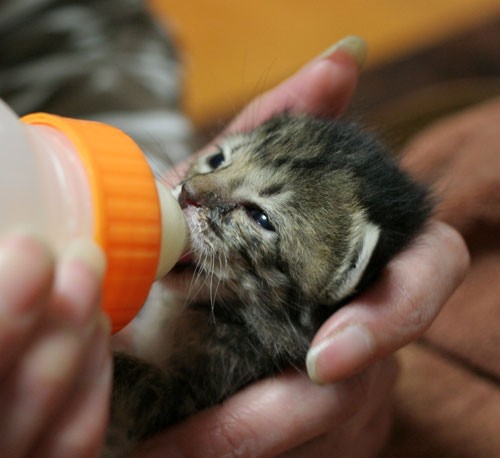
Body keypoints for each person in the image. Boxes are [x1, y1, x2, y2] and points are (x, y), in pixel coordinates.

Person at [0, 34, 469, 457]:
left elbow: (161, 406)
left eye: (260, 216)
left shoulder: (247, 348)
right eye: (220, 157)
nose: (196, 187)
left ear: (331, 281)